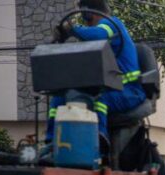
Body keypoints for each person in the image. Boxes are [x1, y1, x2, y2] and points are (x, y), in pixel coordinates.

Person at [46, 0, 146, 145]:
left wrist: (73, 29)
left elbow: (99, 34)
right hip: (107, 89)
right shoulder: (93, 40)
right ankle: (51, 141)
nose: (85, 22)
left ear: (89, 13)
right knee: (60, 98)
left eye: (84, 16)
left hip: (129, 90)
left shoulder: (112, 24)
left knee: (100, 99)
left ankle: (100, 139)